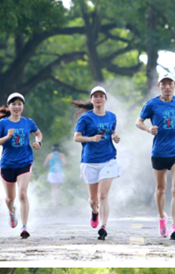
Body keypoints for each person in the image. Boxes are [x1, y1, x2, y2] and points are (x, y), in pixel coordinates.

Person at [135, 73, 175, 240]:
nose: (167, 87)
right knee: (161, 189)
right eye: (163, 84)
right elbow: (138, 121)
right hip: (159, 151)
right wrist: (148, 129)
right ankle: (162, 218)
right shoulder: (152, 104)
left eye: (170, 83)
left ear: (174, 85)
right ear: (159, 86)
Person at [73, 86, 121, 240]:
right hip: (90, 160)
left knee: (103, 195)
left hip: (108, 159)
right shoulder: (86, 118)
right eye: (95, 96)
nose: (99, 98)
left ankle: (103, 226)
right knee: (94, 200)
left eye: (101, 96)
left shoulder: (112, 117)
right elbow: (77, 137)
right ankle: (95, 212)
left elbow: (112, 133)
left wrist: (115, 138)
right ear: (92, 99)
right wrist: (91, 139)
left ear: (105, 99)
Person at [0, 92, 42, 239]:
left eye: (19, 104)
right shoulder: (2, 124)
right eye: (14, 104)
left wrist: (38, 142)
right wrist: (7, 137)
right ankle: (11, 212)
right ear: (9, 106)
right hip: (7, 164)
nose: (16, 107)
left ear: (23, 106)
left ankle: (24, 227)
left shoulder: (28, 122)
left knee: (22, 194)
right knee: (10, 198)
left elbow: (38, 134)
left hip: (25, 162)